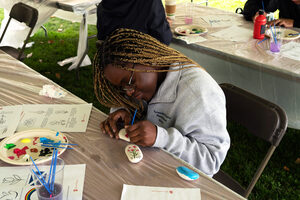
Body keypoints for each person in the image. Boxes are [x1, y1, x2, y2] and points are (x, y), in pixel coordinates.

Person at [93, 28, 230, 177]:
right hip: (146, 165)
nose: (129, 93)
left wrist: (162, 138)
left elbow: (211, 161)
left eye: (129, 82)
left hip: (181, 177)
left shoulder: (199, 94)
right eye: (121, 88)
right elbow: (127, 98)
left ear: (150, 60)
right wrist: (122, 110)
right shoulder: (137, 83)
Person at [96, 0, 173, 45]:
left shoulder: (104, 4)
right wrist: (166, 25)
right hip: (141, 65)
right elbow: (163, 40)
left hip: (110, 62)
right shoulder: (150, 2)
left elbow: (101, 35)